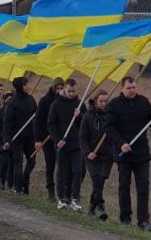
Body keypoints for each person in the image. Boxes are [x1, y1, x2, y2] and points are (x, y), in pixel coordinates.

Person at [106, 77, 151, 232]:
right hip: (123, 153)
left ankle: (144, 220)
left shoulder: (143, 102)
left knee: (143, 186)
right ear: (122, 88)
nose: (132, 90)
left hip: (141, 153)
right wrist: (121, 144)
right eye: (129, 88)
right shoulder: (114, 105)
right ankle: (125, 218)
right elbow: (110, 128)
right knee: (124, 186)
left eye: (134, 87)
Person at [48, 79, 87, 211]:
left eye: (74, 91)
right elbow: (51, 125)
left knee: (77, 171)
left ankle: (74, 198)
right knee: (62, 171)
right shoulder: (56, 104)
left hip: (77, 144)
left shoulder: (80, 104)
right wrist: (57, 139)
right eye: (69, 91)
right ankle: (62, 198)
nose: (71, 93)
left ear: (77, 90)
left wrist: (80, 115)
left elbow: (87, 123)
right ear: (64, 89)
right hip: (61, 144)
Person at [80, 89, 112, 220]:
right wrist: (88, 153)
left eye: (106, 101)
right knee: (97, 179)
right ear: (95, 101)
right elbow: (82, 137)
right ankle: (100, 206)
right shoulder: (88, 117)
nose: (104, 103)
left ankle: (91, 208)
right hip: (92, 155)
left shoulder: (110, 116)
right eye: (101, 101)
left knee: (101, 182)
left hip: (107, 154)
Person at [2, 77, 37, 194]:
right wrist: (7, 139)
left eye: (28, 84)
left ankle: (24, 179)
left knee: (32, 161)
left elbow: (36, 117)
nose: (28, 86)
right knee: (18, 162)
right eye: (25, 85)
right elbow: (7, 122)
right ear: (19, 87)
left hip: (30, 137)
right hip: (16, 137)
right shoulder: (12, 102)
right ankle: (18, 188)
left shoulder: (31, 99)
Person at [34, 77, 64, 202]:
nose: (60, 91)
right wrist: (38, 139)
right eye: (58, 88)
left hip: (61, 139)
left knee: (62, 165)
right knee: (50, 164)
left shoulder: (66, 101)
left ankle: (62, 192)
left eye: (62, 88)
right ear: (53, 88)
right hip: (47, 138)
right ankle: (50, 191)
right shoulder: (45, 101)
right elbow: (38, 121)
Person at [0, 92, 14, 190]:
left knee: (12, 163)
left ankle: (10, 183)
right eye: (8, 99)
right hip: (2, 141)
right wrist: (2, 135)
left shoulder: (16, 112)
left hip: (13, 140)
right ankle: (2, 179)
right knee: (4, 161)